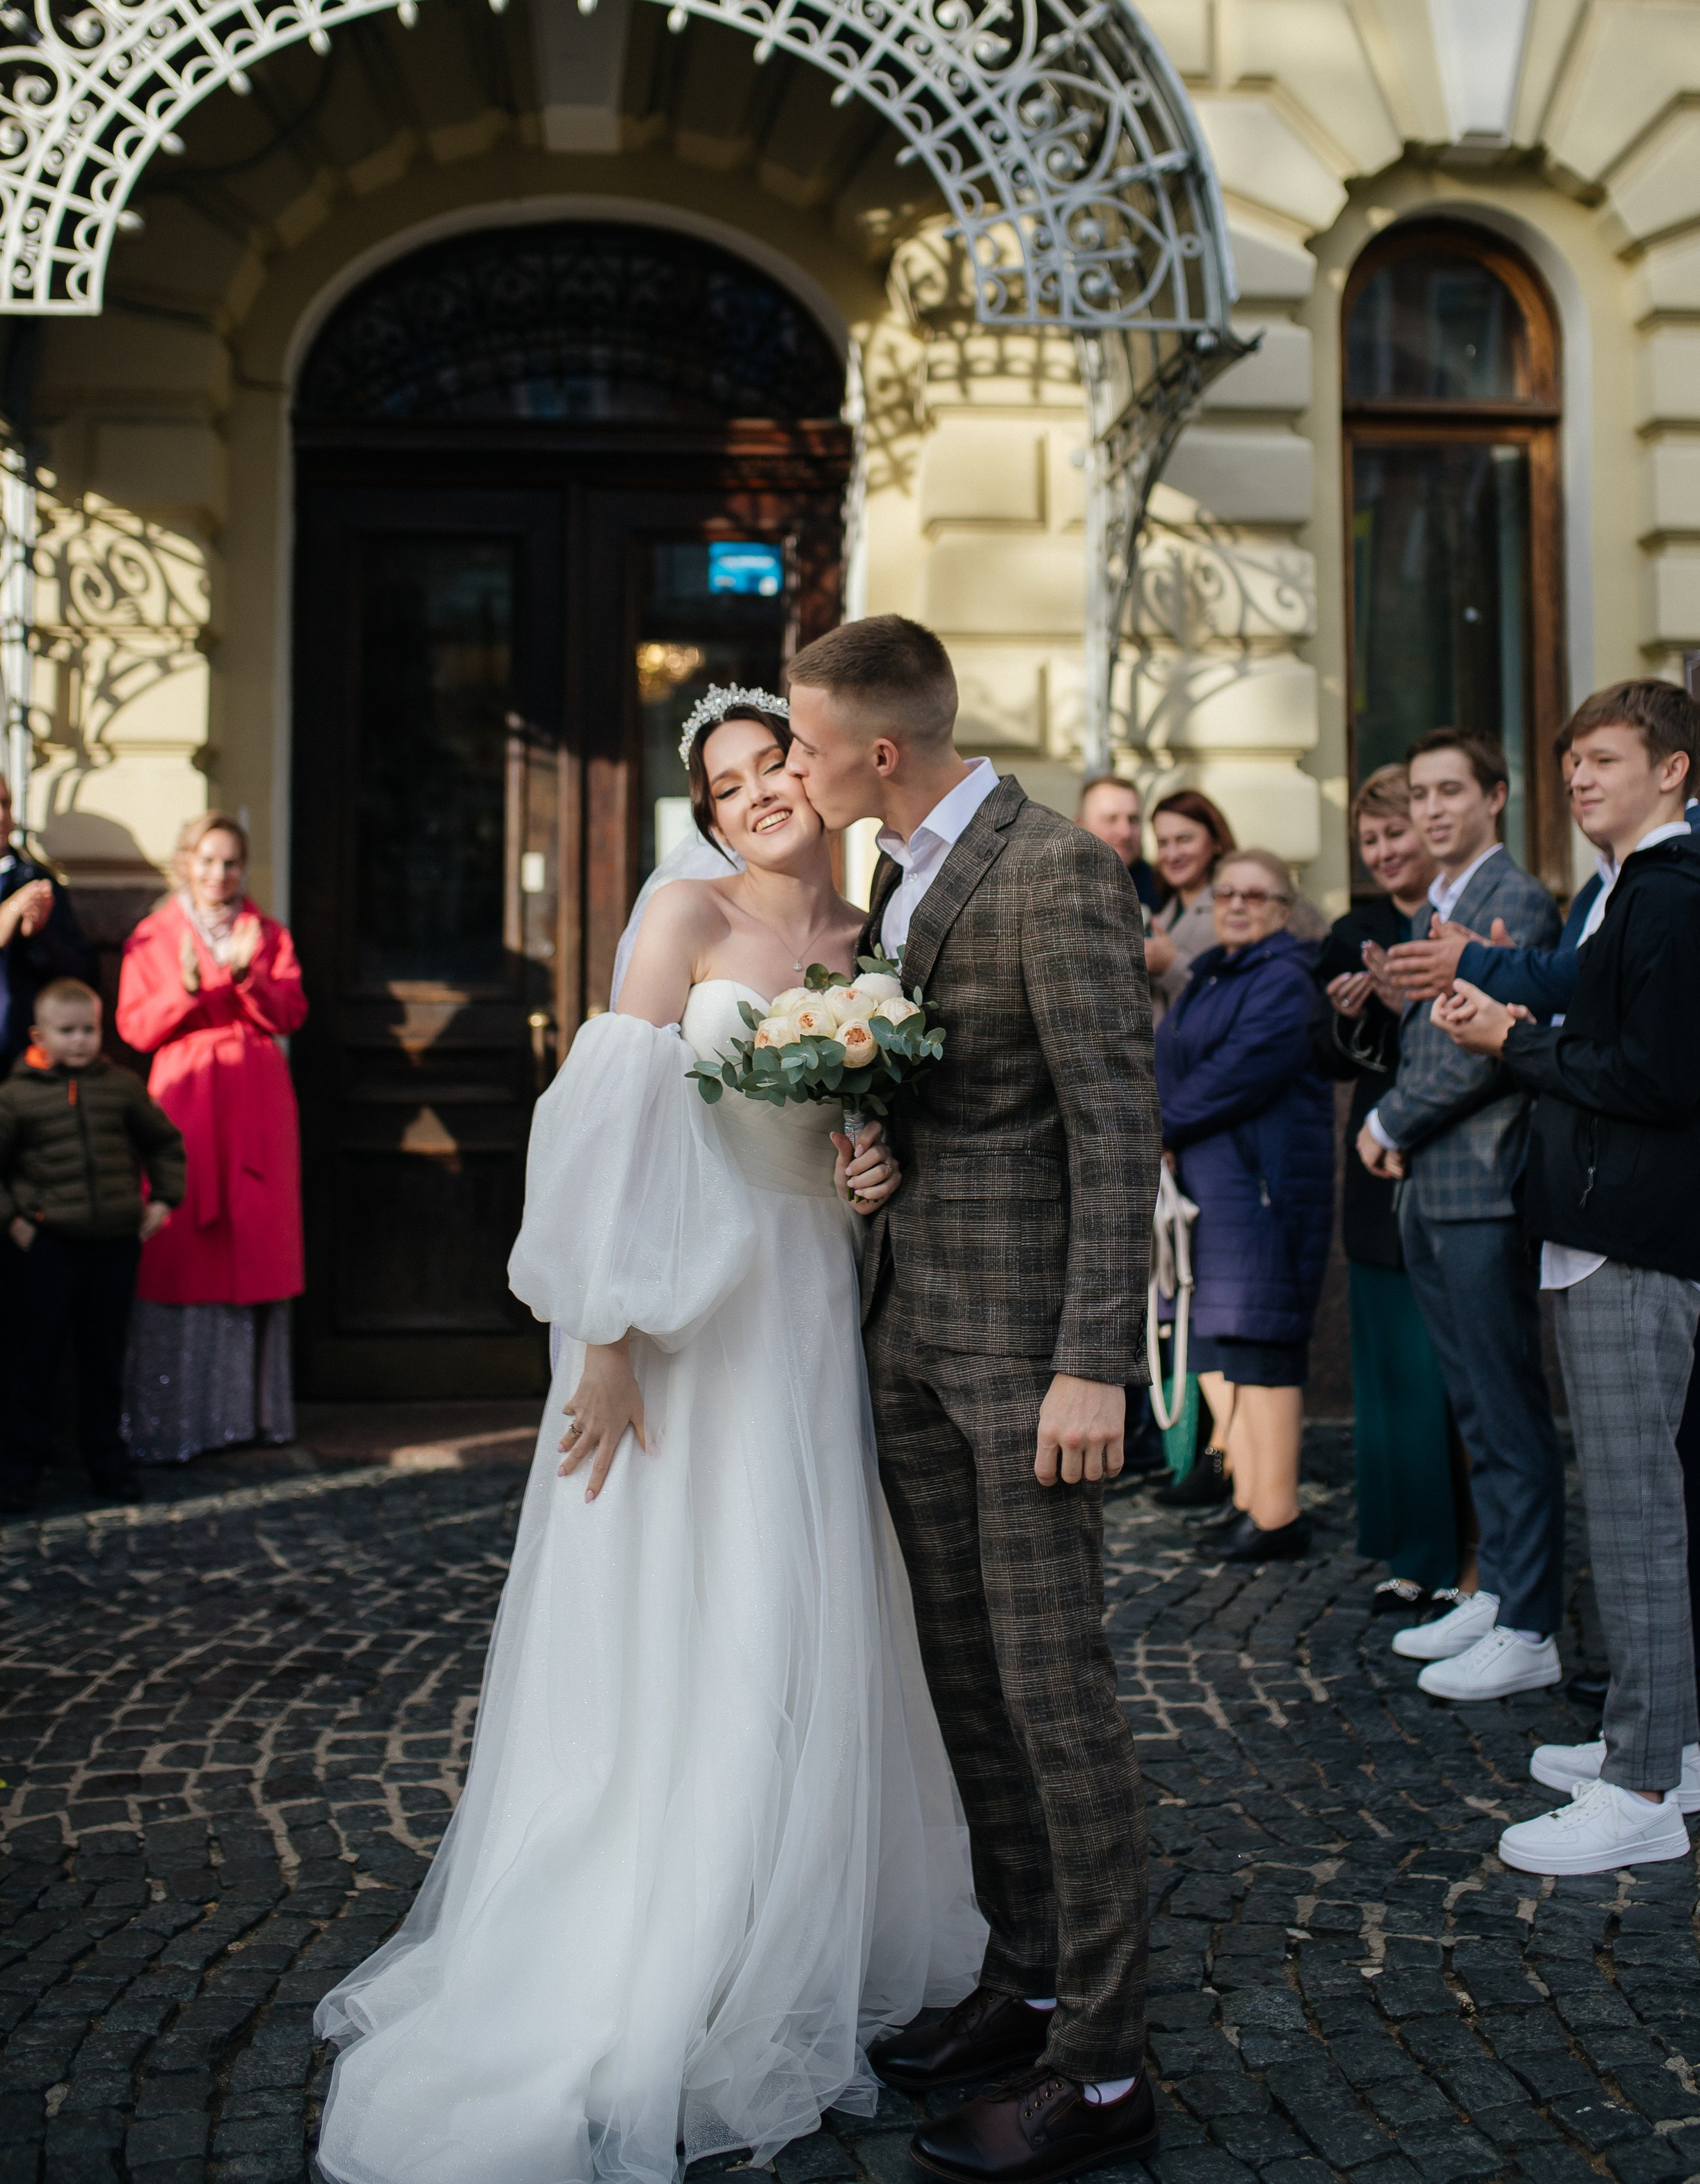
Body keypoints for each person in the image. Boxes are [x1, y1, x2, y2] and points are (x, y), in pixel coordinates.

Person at [315, 689, 983, 2184]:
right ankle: (657, 1943)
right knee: (696, 1602)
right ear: (704, 810)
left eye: (772, 769)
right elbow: (602, 1128)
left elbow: (836, 1125)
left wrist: (864, 1160)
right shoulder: (681, 922)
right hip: (685, 1326)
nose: (755, 795)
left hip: (808, 1302)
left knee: (804, 1603)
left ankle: (780, 1927)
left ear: (816, 778)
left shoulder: (871, 938)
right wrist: (601, 1341)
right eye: (726, 781)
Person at [787, 619, 1160, 2184]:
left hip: (1028, 1363)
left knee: (1051, 1691)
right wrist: (869, 1151)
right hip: (909, 1338)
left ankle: (1102, 2066)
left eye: (806, 745)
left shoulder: (1057, 866)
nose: (792, 770)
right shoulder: (894, 873)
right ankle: (1023, 1977)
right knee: (965, 1689)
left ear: (879, 751)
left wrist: (1093, 1358)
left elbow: (1112, 1121)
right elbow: (942, 1090)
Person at [1434, 681, 1700, 1875]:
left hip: (1637, 1233)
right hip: (1601, 1227)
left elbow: (1659, 1079)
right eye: (1572, 762)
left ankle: (1640, 1789)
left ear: (1672, 771)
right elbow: (1602, 1026)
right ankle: (1662, 1749)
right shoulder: (1631, 893)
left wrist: (1508, 1040)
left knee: (1634, 1515)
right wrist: (1511, 1008)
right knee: (1634, 1507)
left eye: (1606, 761)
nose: (1579, 780)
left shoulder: (1681, 895)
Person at [1354, 727, 1565, 1705]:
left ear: (1497, 797)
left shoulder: (1512, 899)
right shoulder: (1440, 903)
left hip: (1480, 1182)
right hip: (1430, 1179)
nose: (1434, 810)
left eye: (1453, 792)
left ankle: (1530, 1621)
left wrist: (1390, 1117)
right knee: (1474, 1407)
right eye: (1423, 794)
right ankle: (1496, 1592)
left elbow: (1479, 1041)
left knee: (1507, 1403)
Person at [1310, 767, 1469, 1616]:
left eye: (1395, 833)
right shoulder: (1353, 930)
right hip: (1374, 1165)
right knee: (1386, 1373)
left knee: (1444, 1374)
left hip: (1447, 1163)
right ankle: (1409, 1552)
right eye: (1369, 840)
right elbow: (1324, 1053)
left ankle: (1461, 1558)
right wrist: (1356, 1010)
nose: (1384, 851)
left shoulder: (1457, 918)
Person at [1154, 848, 1331, 1561]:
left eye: (1254, 896)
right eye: (1225, 892)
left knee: (1260, 1343)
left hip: (1260, 1187)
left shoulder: (1284, 977)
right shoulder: (1215, 972)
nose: (1234, 903)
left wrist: (1158, 1126)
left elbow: (1241, 1070)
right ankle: (1248, 1499)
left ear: (1284, 910)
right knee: (1221, 1346)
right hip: (1212, 1181)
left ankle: (1277, 1514)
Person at [113, 814, 307, 1464]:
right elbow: (135, 1027)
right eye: (208, 861)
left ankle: (252, 1417)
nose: (220, 875)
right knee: (184, 1231)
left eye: (231, 863)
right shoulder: (154, 934)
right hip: (188, 1093)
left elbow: (291, 1012)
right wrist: (190, 990)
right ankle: (178, 1416)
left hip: (255, 1098)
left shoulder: (266, 932)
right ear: (185, 864)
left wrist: (246, 977)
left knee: (253, 1238)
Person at [0, 980, 185, 1513]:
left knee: (104, 1361)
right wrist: (14, 1218)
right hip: (49, 1246)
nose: (80, 1041)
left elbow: (163, 1141)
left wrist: (162, 1200)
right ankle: (21, 1471)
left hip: (113, 1245)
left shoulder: (121, 1087)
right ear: (40, 1034)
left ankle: (107, 1462)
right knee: (35, 1360)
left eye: (89, 1030)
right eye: (68, 1031)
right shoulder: (17, 1095)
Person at [0, 777, 100, 1081]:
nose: (1, 816)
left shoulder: (35, 880)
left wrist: (40, 934)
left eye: (5, 804)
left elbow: (81, 972)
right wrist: (15, 908)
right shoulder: (23, 894)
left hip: (24, 1058)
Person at [1143, 788, 1235, 1021]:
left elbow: (1233, 995)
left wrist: (1172, 964)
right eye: (1162, 843)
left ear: (1215, 841)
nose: (1172, 854)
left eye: (1184, 840)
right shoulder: (1160, 913)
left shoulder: (1234, 910)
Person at [1076, 774, 1159, 912]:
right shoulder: (1056, 885)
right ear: (1079, 825)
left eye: (1133, 820)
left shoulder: (1164, 890)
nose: (1125, 832)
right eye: (1111, 819)